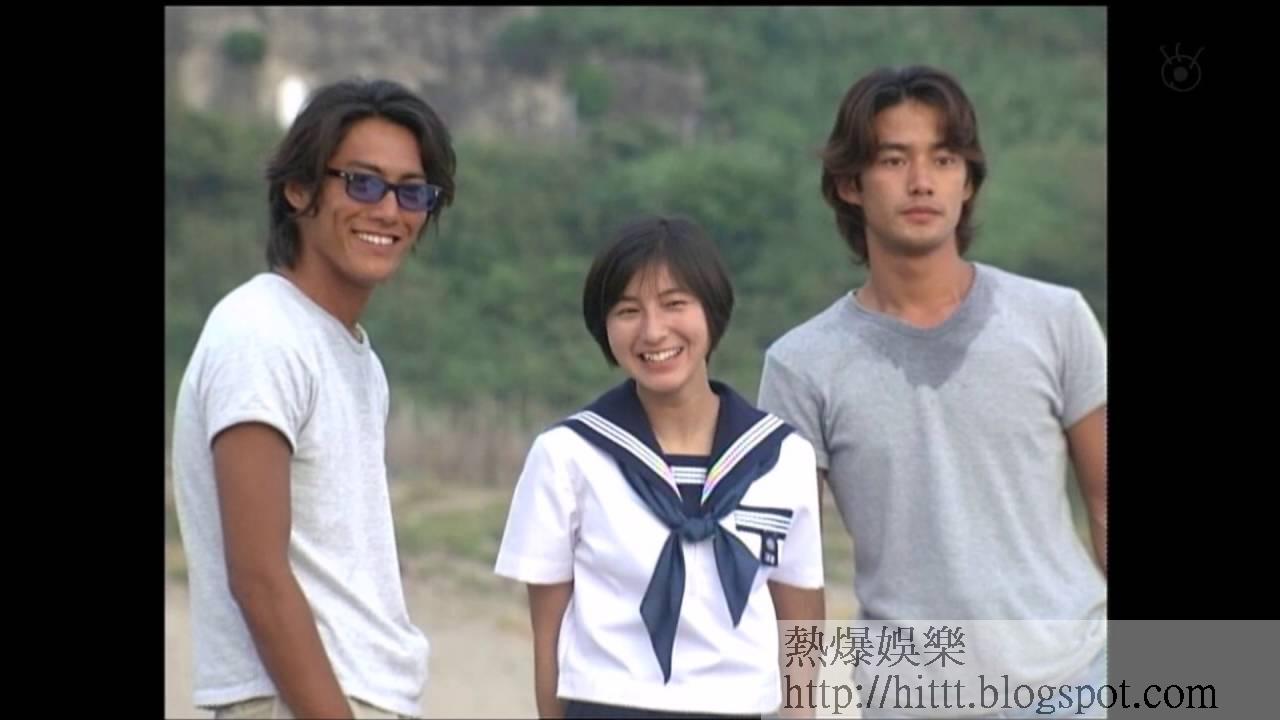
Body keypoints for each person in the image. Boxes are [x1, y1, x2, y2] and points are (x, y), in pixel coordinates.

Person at [756, 66, 1108, 718]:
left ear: (967, 181)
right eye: (894, 160)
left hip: (1074, 685)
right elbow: (791, 566)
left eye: (944, 160)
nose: (922, 181)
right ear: (849, 184)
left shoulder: (1054, 319)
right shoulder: (801, 365)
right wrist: (793, 707)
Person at [170, 78, 456, 720]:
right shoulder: (261, 332)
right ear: (298, 189)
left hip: (359, 693)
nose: (389, 210)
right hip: (301, 701)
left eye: (412, 192)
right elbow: (258, 576)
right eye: (362, 183)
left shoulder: (354, 357)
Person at [494, 215, 826, 719]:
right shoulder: (569, 454)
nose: (653, 331)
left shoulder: (781, 457)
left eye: (675, 304)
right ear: (604, 327)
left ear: (712, 310)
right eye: (628, 310)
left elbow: (800, 617)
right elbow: (548, 637)